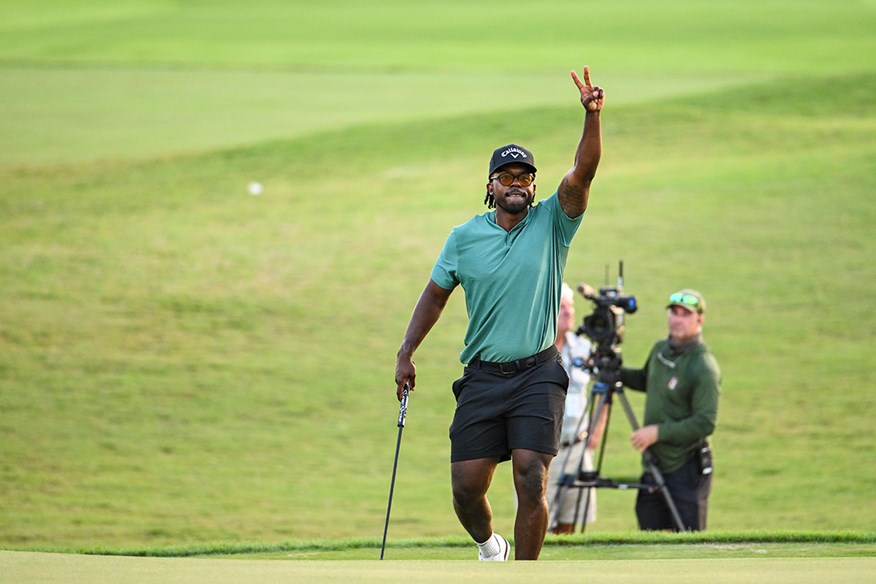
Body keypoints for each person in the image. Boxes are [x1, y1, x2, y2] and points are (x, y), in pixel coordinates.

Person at [394, 66, 605, 560]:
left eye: (525, 177)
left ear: (534, 187)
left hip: (537, 372)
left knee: (531, 474)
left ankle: (526, 574)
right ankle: (493, 549)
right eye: (506, 177)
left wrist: (592, 117)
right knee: (466, 489)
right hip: (484, 376)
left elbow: (584, 171)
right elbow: (435, 296)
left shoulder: (554, 221)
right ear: (490, 186)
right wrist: (406, 352)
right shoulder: (463, 237)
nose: (517, 184)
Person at [621, 289, 721, 531]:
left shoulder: (703, 366)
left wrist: (657, 433)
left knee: (688, 544)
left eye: (685, 314)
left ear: (700, 319)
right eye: (674, 313)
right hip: (654, 466)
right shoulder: (659, 351)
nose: (677, 319)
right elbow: (647, 380)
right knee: (649, 541)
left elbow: (704, 423)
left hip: (685, 469)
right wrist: (614, 371)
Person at [545, 283, 603, 533]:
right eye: (561, 307)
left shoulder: (584, 347)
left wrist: (597, 430)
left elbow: (603, 387)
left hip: (578, 447)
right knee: (540, 520)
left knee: (571, 524)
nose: (568, 312)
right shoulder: (534, 349)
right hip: (544, 449)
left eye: (571, 307)